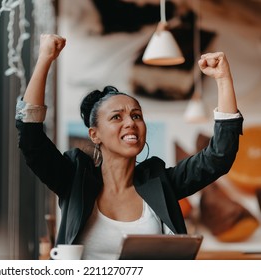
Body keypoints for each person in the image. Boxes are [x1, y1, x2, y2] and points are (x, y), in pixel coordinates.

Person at [15, 34, 243, 259]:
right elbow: (30, 139)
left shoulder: (161, 184)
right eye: (116, 117)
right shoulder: (74, 179)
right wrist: (45, 58)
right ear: (95, 135)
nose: (130, 123)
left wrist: (222, 79)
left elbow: (219, 156)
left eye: (136, 116)